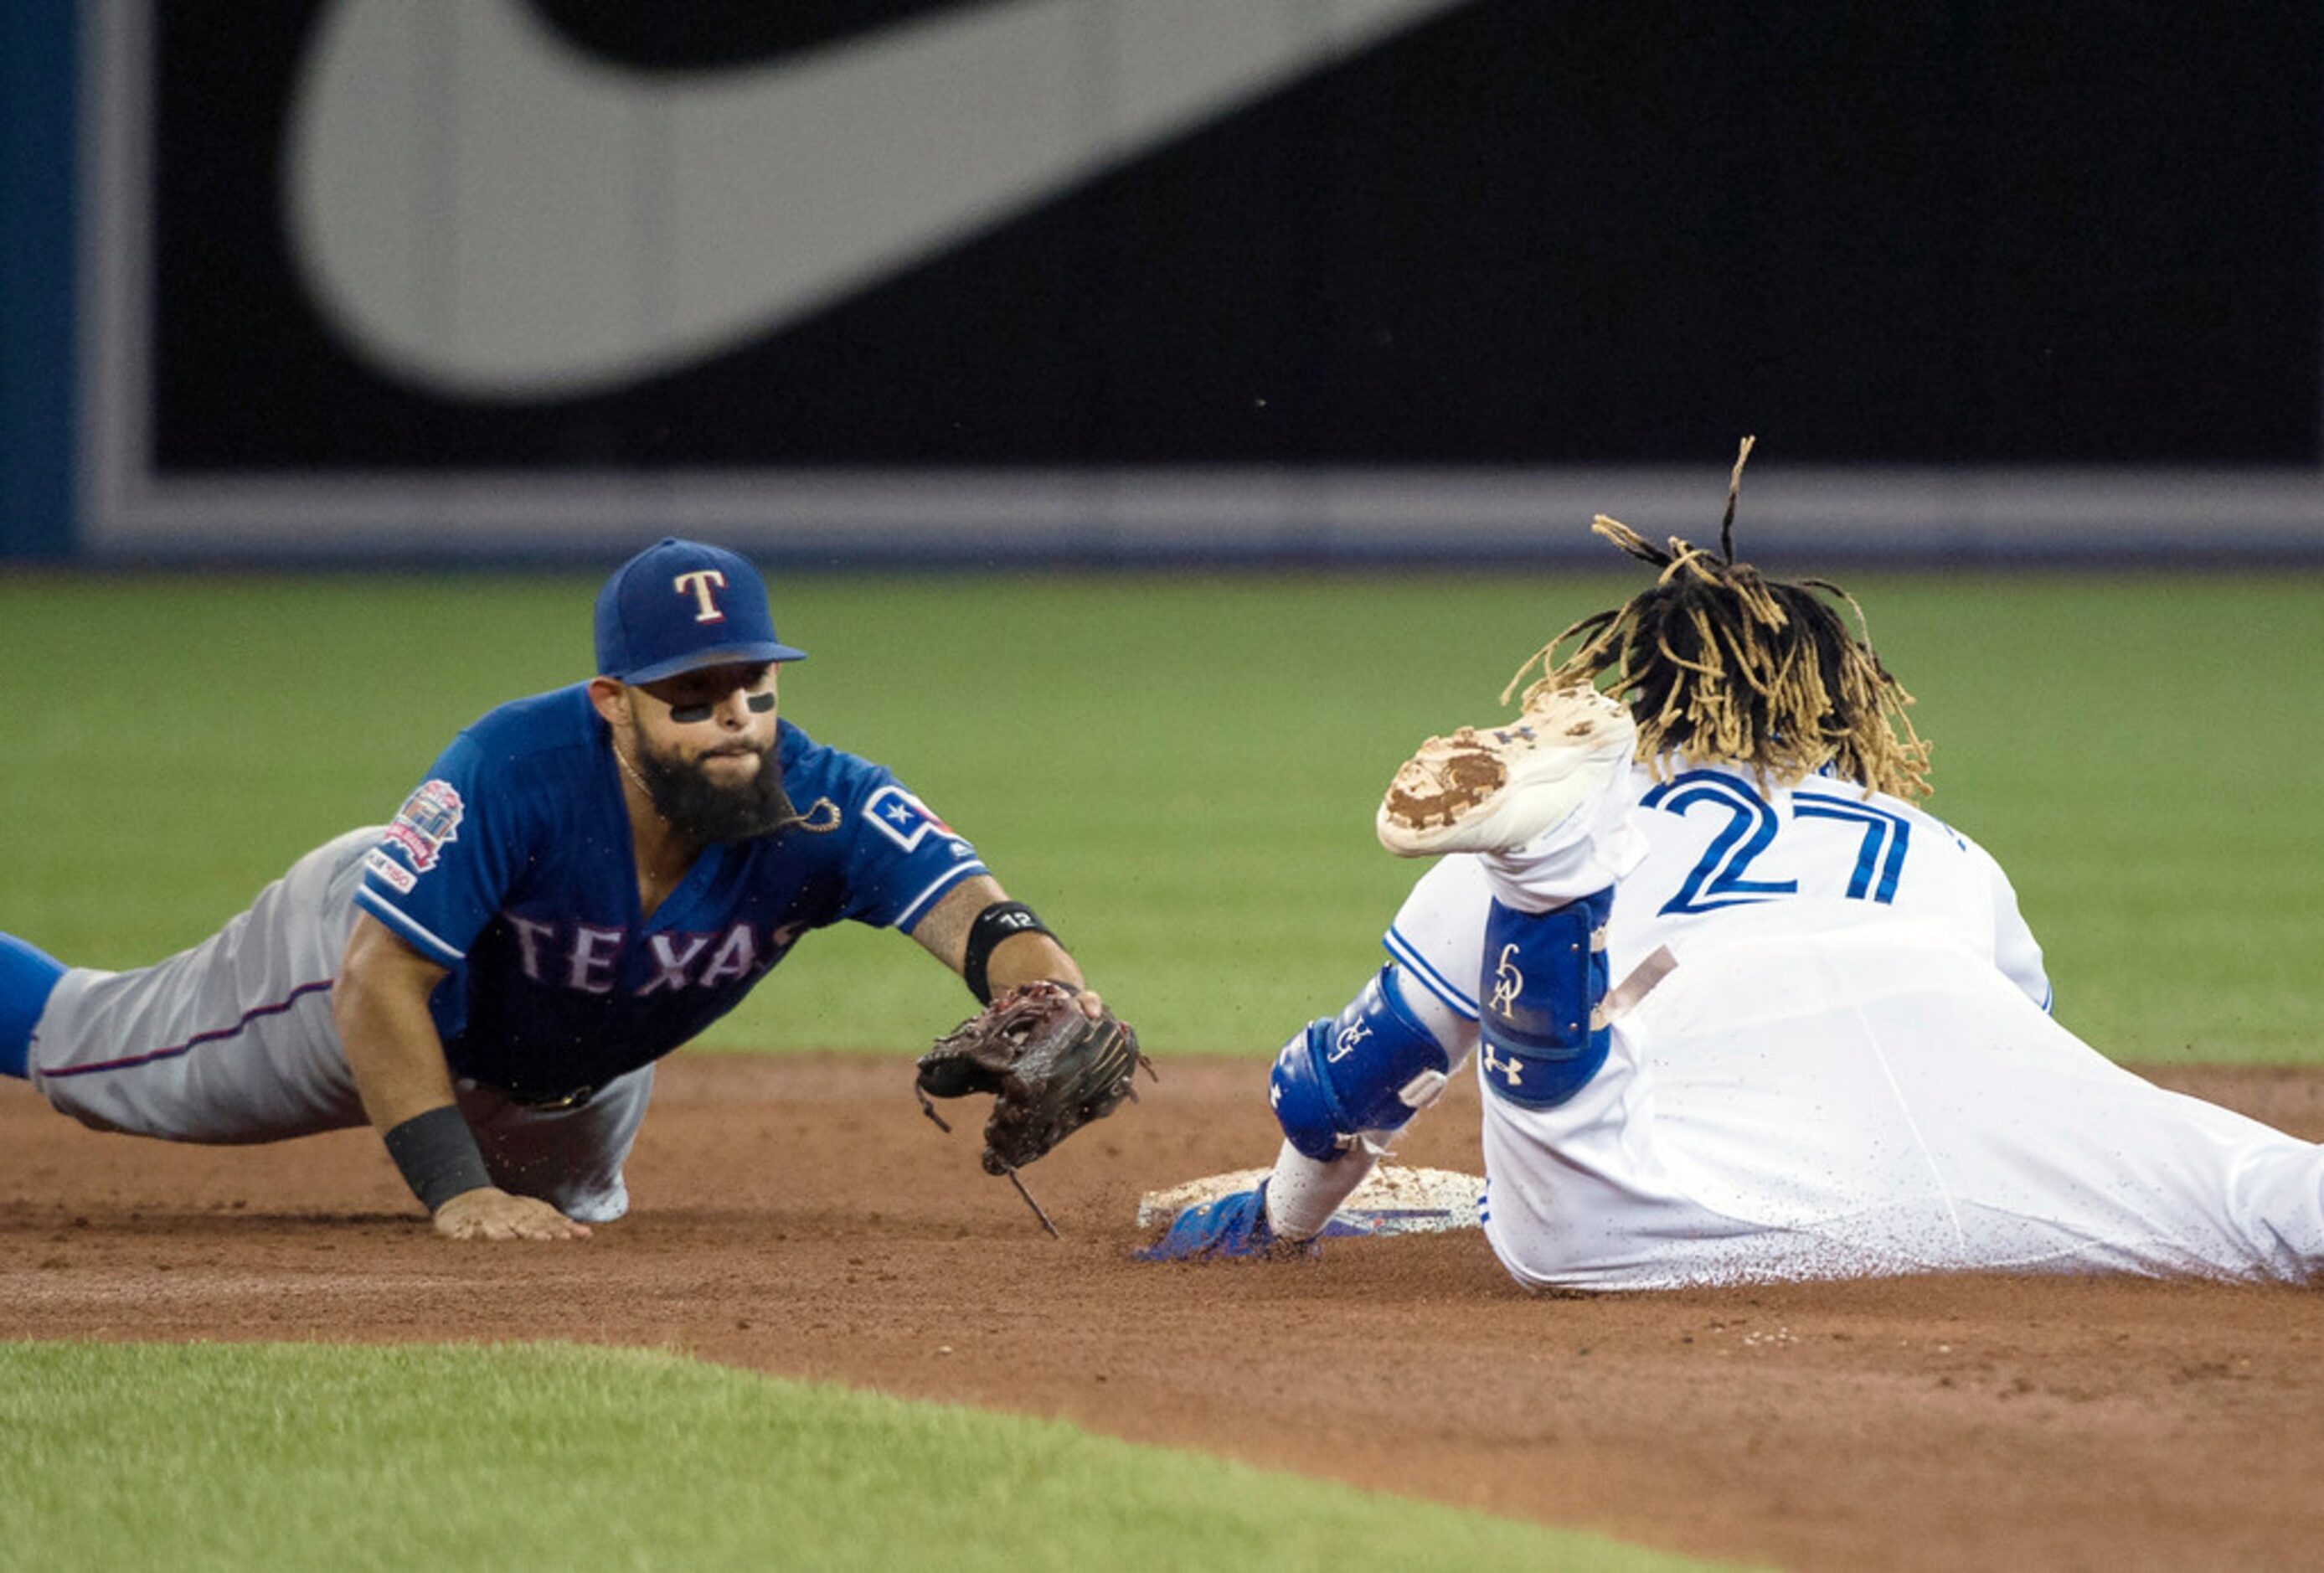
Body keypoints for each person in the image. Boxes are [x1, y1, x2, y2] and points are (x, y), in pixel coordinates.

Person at [1143, 442, 2324, 1288]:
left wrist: (1276, 1217)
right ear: (1831, 700)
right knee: (2246, 1189)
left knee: (1566, 1226)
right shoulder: (1942, 849)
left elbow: (1368, 1074)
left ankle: (1550, 878)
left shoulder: (1616, 794)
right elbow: (2020, 1053)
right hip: (1979, 1079)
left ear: (1643, 691)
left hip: (1723, 1120)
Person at [1, 538, 1109, 1242]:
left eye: (752, 685)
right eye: (691, 691)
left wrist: (1051, 996)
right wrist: (454, 1189)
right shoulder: (513, 768)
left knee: (569, 1236)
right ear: (612, 702)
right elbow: (379, 979)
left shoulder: (817, 804)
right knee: (79, 1046)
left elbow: (976, 909)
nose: (733, 715)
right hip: (346, 975)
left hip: (574, 1081)